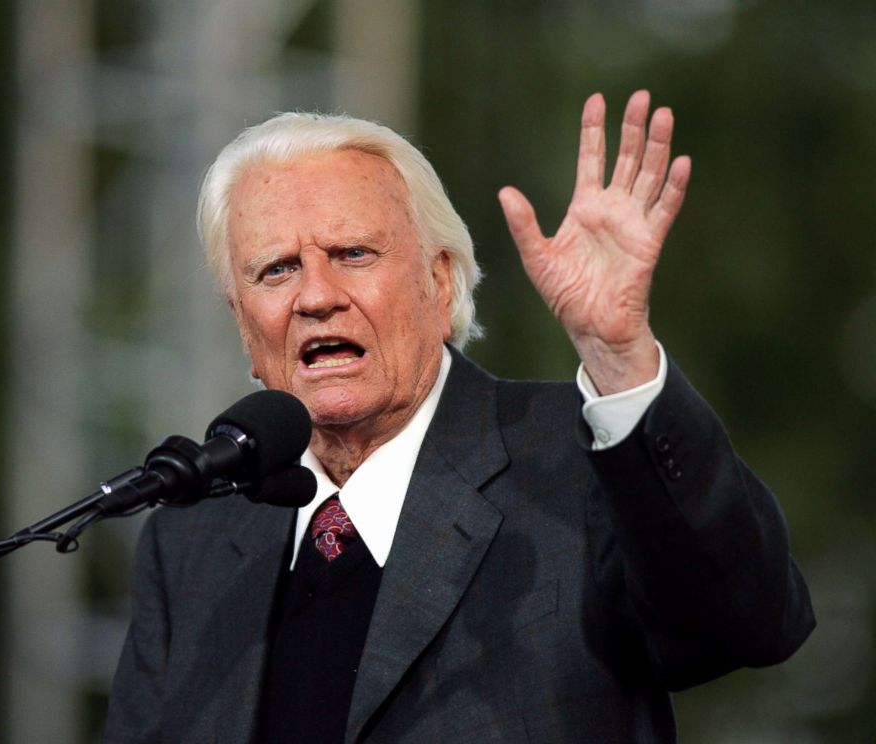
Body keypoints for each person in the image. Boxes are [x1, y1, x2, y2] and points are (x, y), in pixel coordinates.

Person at [104, 91, 815, 743]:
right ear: (242, 325)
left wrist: (619, 357)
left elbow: (748, 624)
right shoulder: (192, 542)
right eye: (276, 270)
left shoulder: (575, 461)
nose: (315, 296)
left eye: (353, 254)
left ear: (440, 283)